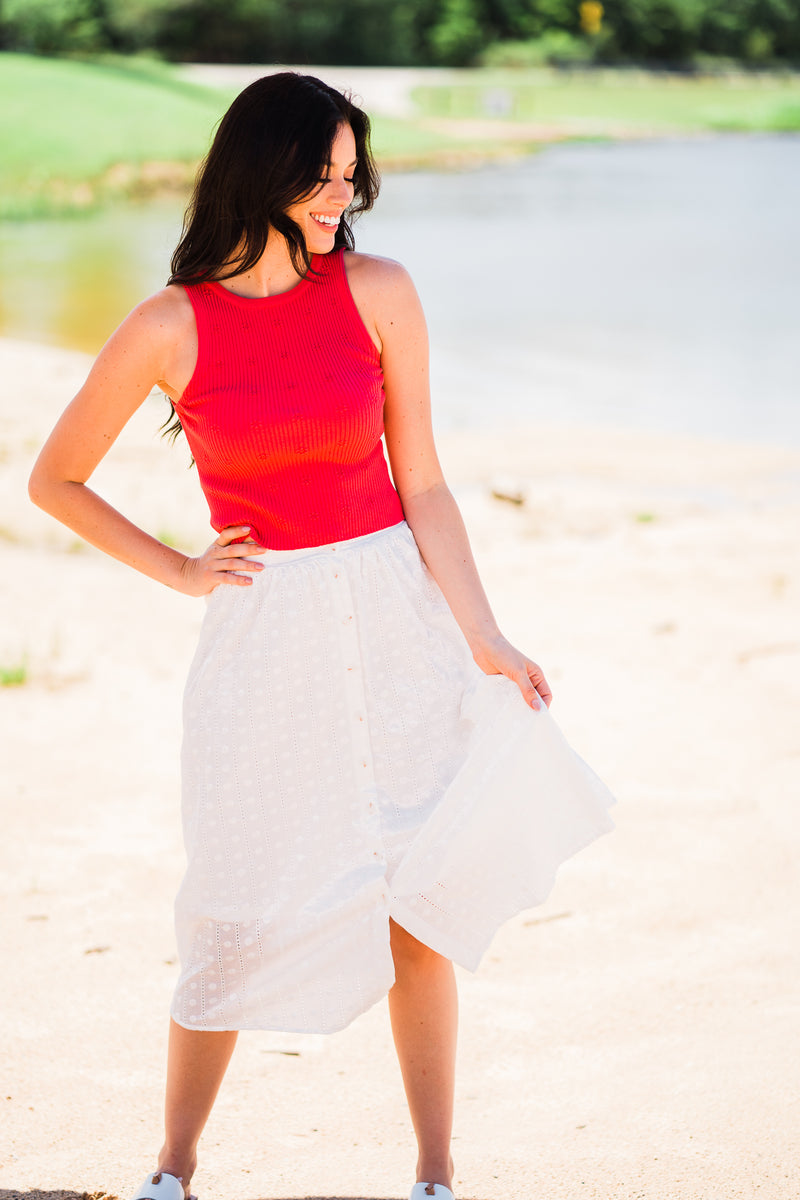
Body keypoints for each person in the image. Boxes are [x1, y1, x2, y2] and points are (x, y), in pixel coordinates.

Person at [28, 72, 614, 1200]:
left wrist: (483, 634)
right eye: (320, 172)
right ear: (261, 169)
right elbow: (55, 478)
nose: (341, 196)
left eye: (352, 174)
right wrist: (181, 570)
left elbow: (425, 484)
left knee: (415, 898)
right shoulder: (167, 324)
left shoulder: (380, 292)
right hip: (264, 638)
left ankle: (435, 1176)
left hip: (396, 613)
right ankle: (171, 1171)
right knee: (234, 898)